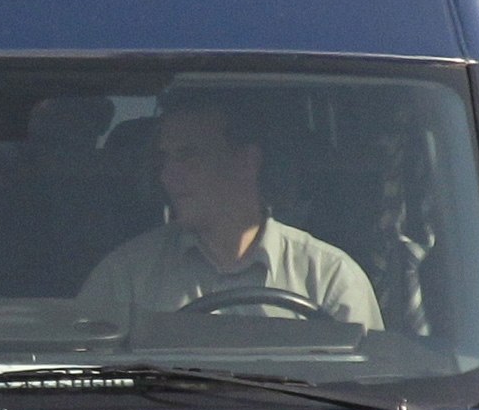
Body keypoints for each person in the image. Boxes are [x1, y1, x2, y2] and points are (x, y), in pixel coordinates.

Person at [78, 93, 383, 329]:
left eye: (188, 156)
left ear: (246, 162)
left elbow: (372, 394)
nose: (167, 177)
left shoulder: (329, 278)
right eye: (165, 160)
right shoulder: (125, 278)